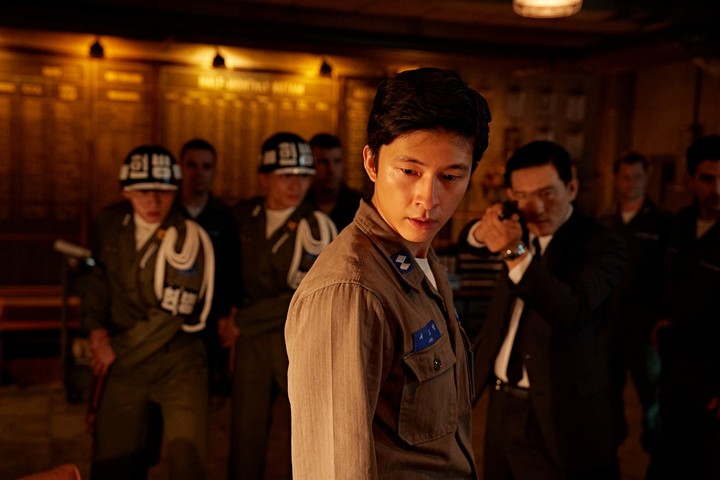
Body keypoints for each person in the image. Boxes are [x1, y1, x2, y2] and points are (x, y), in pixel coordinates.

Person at [285, 67, 491, 479]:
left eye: (451, 177)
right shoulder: (351, 291)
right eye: (409, 171)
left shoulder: (421, 258)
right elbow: (335, 469)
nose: (428, 199)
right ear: (372, 163)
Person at [459, 140, 626, 479]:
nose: (535, 207)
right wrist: (484, 229)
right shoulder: (520, 227)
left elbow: (569, 307)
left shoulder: (601, 243)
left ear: (571, 188)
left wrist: (514, 251)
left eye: (547, 194)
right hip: (500, 402)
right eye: (523, 196)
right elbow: (468, 240)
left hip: (559, 409)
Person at [83, 145, 215, 480]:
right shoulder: (112, 224)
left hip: (177, 362)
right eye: (143, 192)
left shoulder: (188, 237)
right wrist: (96, 328)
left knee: (187, 463)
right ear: (126, 192)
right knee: (112, 462)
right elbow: (99, 277)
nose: (153, 201)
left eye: (163, 191)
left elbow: (171, 314)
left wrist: (114, 348)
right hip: (126, 365)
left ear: (176, 191)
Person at [223, 132, 337, 480]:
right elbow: (228, 271)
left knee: (304, 433)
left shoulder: (317, 226)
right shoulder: (244, 216)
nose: (295, 185)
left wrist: (242, 321)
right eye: (286, 175)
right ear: (264, 177)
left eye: (303, 176)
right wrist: (228, 313)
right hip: (253, 344)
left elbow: (304, 294)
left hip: (296, 340)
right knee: (246, 432)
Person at [655, 134, 720, 479]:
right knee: (670, 455)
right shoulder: (680, 223)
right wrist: (661, 319)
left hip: (714, 366)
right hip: (676, 359)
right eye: (708, 179)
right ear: (691, 180)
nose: (717, 189)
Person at [599, 152, 671, 455]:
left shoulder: (662, 223)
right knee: (606, 395)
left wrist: (663, 317)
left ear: (647, 177)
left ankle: (658, 457)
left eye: (637, 177)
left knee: (654, 398)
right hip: (609, 324)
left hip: (645, 326)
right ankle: (608, 456)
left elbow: (670, 274)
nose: (631, 184)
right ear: (616, 179)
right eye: (625, 177)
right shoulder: (605, 222)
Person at [177, 138, 240, 394]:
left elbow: (232, 269)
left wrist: (228, 314)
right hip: (173, 313)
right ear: (180, 168)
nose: (198, 173)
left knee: (208, 388)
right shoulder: (168, 213)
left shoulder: (225, 217)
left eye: (206, 166)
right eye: (191, 165)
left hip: (213, 317)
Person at [304, 132, 364, 231]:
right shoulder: (301, 204)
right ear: (310, 164)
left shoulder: (360, 206)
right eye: (323, 162)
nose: (331, 170)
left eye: (337, 161)